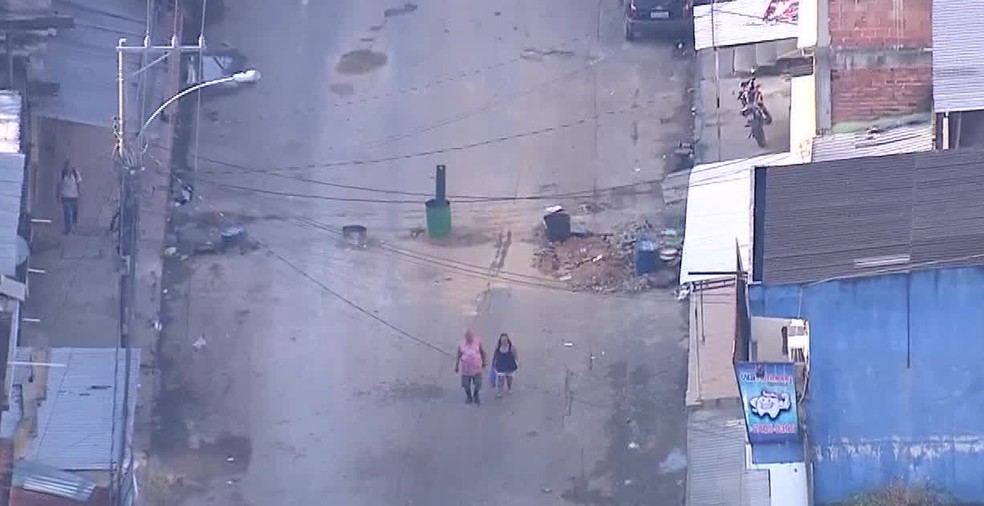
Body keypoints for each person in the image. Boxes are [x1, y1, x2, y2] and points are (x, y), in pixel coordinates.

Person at [454, 329, 486, 405]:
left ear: (473, 336)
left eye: (471, 337)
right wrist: (457, 365)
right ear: (465, 337)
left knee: (478, 384)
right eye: (468, 337)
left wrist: (484, 362)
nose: (469, 338)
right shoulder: (461, 344)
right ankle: (469, 396)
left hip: (476, 368)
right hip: (466, 370)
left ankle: (476, 394)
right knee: (466, 385)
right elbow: (458, 355)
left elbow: (482, 352)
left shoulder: (477, 342)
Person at [58, 161, 81, 234]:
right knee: (67, 214)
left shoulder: (75, 174)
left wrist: (79, 193)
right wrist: (58, 194)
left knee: (74, 213)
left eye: (69, 167)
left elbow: (79, 183)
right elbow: (59, 184)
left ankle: (74, 227)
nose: (68, 168)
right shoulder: (63, 174)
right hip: (65, 197)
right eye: (67, 167)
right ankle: (67, 229)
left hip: (74, 196)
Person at [493, 333, 519, 397]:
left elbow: (515, 355)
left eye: (505, 340)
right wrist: (493, 362)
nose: (504, 341)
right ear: (500, 340)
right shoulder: (498, 347)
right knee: (500, 379)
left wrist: (517, 362)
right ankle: (500, 392)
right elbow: (495, 354)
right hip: (500, 365)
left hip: (509, 365)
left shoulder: (511, 347)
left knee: (509, 379)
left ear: (507, 340)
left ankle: (509, 387)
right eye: (502, 340)